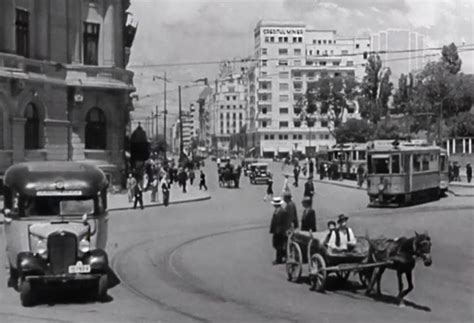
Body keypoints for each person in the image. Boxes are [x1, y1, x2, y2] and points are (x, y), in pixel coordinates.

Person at [269, 197, 290, 265]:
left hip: (280, 231)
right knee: (276, 244)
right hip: (276, 230)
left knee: (279, 245)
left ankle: (279, 259)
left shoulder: (282, 211)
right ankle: (283, 256)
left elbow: (285, 222)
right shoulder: (277, 211)